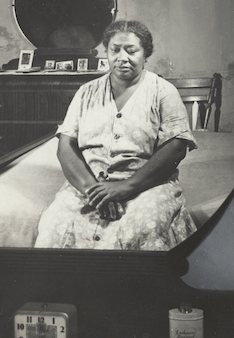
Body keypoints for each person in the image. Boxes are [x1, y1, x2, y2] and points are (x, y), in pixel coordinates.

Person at [35, 20, 197, 250]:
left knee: (145, 228)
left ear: (145, 54)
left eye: (131, 51)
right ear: (107, 53)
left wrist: (125, 188)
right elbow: (66, 145)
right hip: (89, 186)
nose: (122, 57)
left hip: (146, 185)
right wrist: (94, 191)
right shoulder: (86, 92)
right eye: (115, 50)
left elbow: (176, 147)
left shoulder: (163, 91)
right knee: (54, 226)